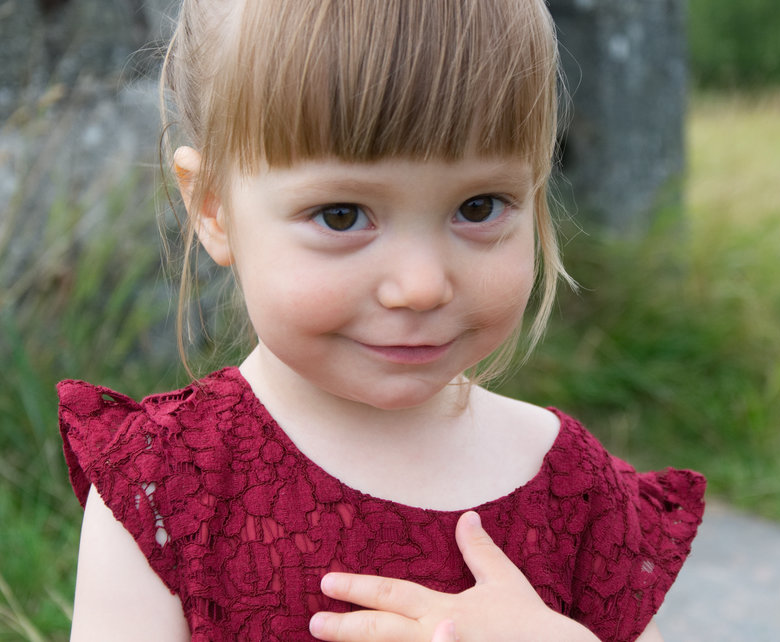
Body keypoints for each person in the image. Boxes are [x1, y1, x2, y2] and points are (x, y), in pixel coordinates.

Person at [57, 1, 705, 640]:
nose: (421, 286)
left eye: (479, 207)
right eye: (342, 215)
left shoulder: (576, 491)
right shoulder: (163, 488)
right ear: (213, 209)